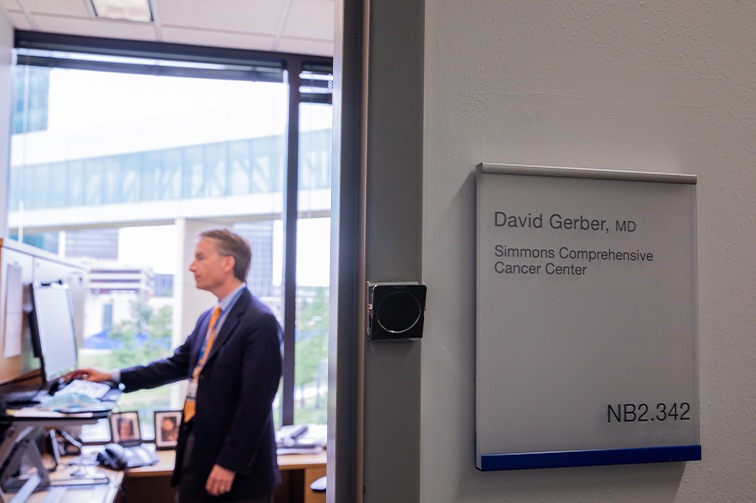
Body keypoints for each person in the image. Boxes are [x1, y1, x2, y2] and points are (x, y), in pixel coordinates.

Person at [67, 228, 283, 502]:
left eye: (201, 257)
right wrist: (112, 375)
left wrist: (230, 463)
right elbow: (174, 365)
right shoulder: (209, 318)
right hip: (198, 454)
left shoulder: (259, 321)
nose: (192, 267)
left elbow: (256, 403)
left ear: (228, 263)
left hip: (236, 470)